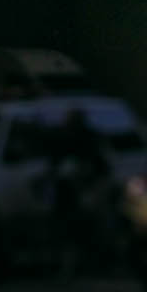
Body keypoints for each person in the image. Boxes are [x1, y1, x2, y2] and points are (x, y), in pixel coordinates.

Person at [47, 109, 111, 278]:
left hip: (83, 192)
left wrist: (86, 178)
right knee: (69, 231)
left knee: (84, 230)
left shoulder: (88, 141)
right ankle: (70, 266)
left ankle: (84, 265)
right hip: (69, 195)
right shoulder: (63, 140)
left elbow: (100, 166)